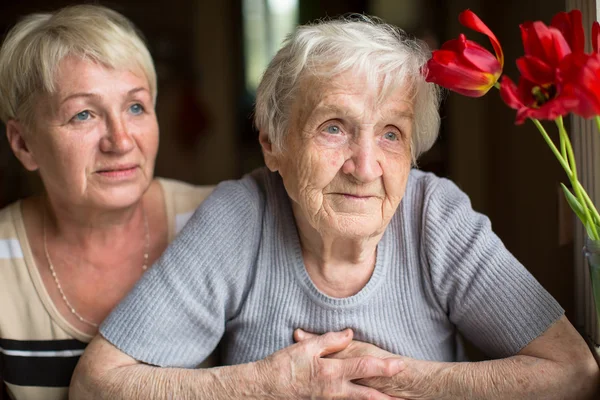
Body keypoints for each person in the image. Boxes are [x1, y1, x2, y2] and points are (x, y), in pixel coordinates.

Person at [71, 15, 600, 399]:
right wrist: (265, 386)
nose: (365, 166)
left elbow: (574, 372)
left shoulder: (433, 215)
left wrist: (400, 376)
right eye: (334, 127)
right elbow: (97, 384)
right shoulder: (240, 215)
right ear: (273, 143)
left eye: (391, 134)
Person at [0, 5, 214, 400]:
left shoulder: (219, 219)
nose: (120, 141)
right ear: (23, 144)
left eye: (135, 107)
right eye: (83, 115)